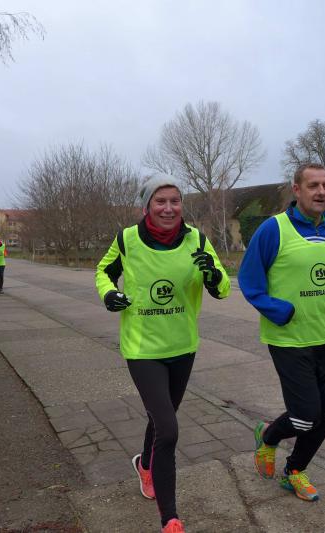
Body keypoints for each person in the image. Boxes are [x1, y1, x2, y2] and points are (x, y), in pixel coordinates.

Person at [95, 176, 230, 533]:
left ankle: (145, 464)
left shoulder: (197, 240)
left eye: (175, 201)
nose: (169, 208)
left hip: (182, 346)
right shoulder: (128, 240)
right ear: (147, 206)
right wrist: (109, 294)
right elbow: (104, 272)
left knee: (160, 419)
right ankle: (170, 518)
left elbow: (223, 289)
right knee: (168, 430)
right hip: (143, 349)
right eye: (160, 201)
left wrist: (212, 274)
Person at [238, 163, 325, 502]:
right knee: (304, 417)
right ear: (297, 190)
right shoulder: (274, 229)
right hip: (287, 339)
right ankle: (268, 436)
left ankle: (294, 471)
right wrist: (277, 310)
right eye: (313, 185)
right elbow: (250, 282)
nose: (321, 192)